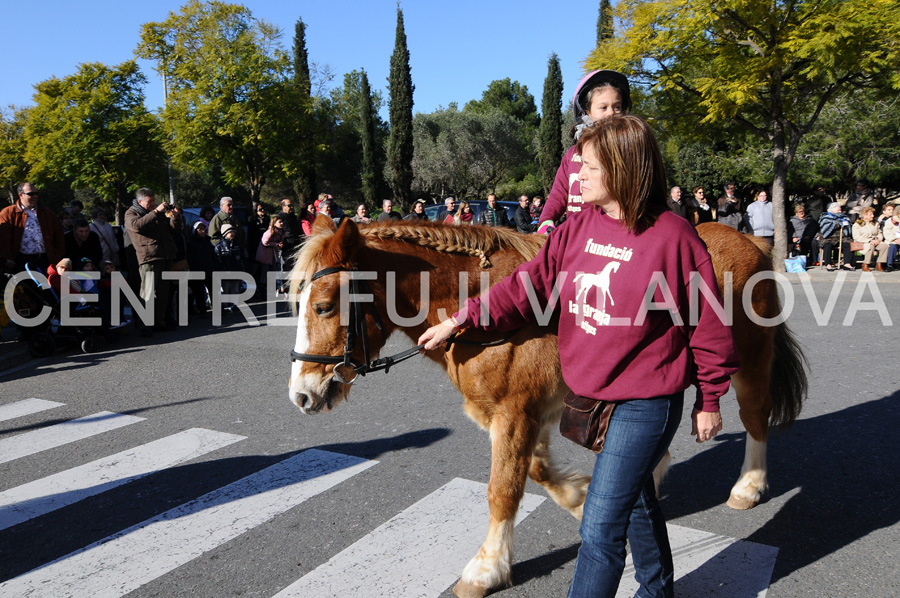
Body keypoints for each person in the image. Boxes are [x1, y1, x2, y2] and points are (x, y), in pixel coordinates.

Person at [419, 115, 738, 598]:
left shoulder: (674, 238)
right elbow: (526, 287)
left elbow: (707, 325)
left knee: (600, 528)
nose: (576, 175)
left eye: (587, 166)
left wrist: (710, 398)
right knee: (635, 501)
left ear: (623, 169)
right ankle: (659, 591)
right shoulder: (579, 226)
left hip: (645, 403)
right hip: (592, 397)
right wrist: (459, 319)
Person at [538, 70, 631, 229]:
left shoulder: (628, 152)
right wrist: (546, 220)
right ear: (586, 111)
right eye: (603, 107)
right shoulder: (572, 154)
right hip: (576, 234)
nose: (611, 113)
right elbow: (559, 193)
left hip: (610, 236)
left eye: (617, 106)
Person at [124, 188, 177, 333]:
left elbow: (172, 230)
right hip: (148, 257)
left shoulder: (157, 213)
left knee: (162, 292)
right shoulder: (131, 213)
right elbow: (136, 226)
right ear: (140, 201)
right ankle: (144, 324)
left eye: (154, 201)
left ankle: (159, 322)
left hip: (165, 255)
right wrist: (155, 212)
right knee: (147, 293)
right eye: (150, 201)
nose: (153, 204)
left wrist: (175, 217)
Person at [0, 182, 65, 273]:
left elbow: (59, 235)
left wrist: (57, 257)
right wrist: (9, 258)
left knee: (46, 286)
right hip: (21, 261)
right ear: (21, 195)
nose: (35, 196)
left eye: (36, 194)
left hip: (45, 259)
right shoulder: (8, 213)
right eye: (31, 194)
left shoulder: (47, 213)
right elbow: (3, 239)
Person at [186, 222, 217, 315]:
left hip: (209, 269)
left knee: (213, 289)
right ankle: (202, 310)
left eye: (203, 229)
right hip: (197, 270)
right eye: (200, 229)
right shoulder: (191, 243)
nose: (202, 231)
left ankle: (217, 308)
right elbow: (190, 258)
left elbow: (213, 255)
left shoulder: (208, 241)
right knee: (199, 292)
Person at [817, 202, 854, 271]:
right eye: (838, 210)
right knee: (827, 245)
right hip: (828, 237)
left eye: (840, 210)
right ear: (831, 210)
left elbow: (849, 226)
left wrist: (846, 225)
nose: (840, 212)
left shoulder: (844, 217)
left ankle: (847, 263)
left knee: (848, 244)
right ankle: (828, 264)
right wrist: (837, 224)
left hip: (842, 237)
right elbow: (825, 227)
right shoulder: (825, 217)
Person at [214, 223, 243, 309]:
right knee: (225, 287)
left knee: (235, 287)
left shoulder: (237, 245)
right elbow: (218, 259)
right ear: (225, 234)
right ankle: (225, 303)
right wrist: (221, 269)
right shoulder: (219, 246)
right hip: (225, 270)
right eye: (230, 232)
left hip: (235, 269)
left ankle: (234, 303)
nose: (232, 233)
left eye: (233, 232)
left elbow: (240, 258)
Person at [852, 206, 888, 272]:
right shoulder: (858, 224)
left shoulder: (875, 223)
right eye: (870, 214)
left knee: (884, 246)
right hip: (862, 242)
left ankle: (879, 264)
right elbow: (856, 236)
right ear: (864, 215)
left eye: (873, 214)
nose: (873, 216)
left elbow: (879, 233)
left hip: (875, 240)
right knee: (870, 246)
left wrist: (879, 240)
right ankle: (865, 264)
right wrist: (869, 240)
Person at [255, 214, 285, 293]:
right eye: (280, 222)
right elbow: (264, 242)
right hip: (265, 256)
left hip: (273, 256)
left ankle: (272, 289)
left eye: (282, 222)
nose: (282, 223)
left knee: (273, 272)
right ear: (274, 223)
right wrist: (276, 244)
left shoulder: (280, 232)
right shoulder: (269, 232)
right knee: (265, 273)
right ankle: (263, 290)